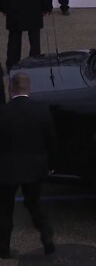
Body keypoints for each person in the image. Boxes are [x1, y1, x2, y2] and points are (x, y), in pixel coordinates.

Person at [0, 72, 56, 259]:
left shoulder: (3, 112)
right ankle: (46, 236)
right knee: (34, 204)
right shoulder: (41, 111)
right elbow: (51, 141)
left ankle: (4, 248)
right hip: (34, 168)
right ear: (29, 88)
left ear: (11, 88)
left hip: (7, 170)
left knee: (5, 211)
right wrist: (51, 164)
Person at [1, 0, 52, 73]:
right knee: (35, 39)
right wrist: (47, 6)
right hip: (34, 4)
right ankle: (35, 65)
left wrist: (3, 6)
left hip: (13, 3)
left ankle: (12, 66)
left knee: (14, 37)